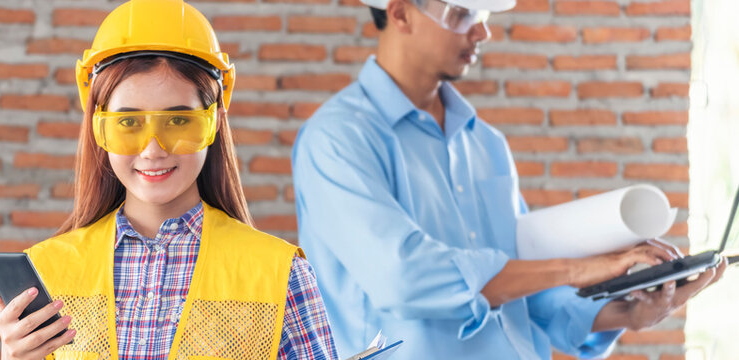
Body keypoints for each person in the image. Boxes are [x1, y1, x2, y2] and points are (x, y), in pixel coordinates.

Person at [291, 0, 726, 358]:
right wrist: (578, 269)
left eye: (483, 18)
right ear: (400, 12)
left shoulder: (487, 144)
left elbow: (524, 297)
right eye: (462, 14)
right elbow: (405, 277)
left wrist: (631, 312)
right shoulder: (336, 139)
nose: (482, 33)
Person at [0, 0, 338, 358]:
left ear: (214, 122)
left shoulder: (281, 275)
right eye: (128, 123)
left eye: (178, 121)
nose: (153, 150)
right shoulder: (45, 272)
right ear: (98, 127)